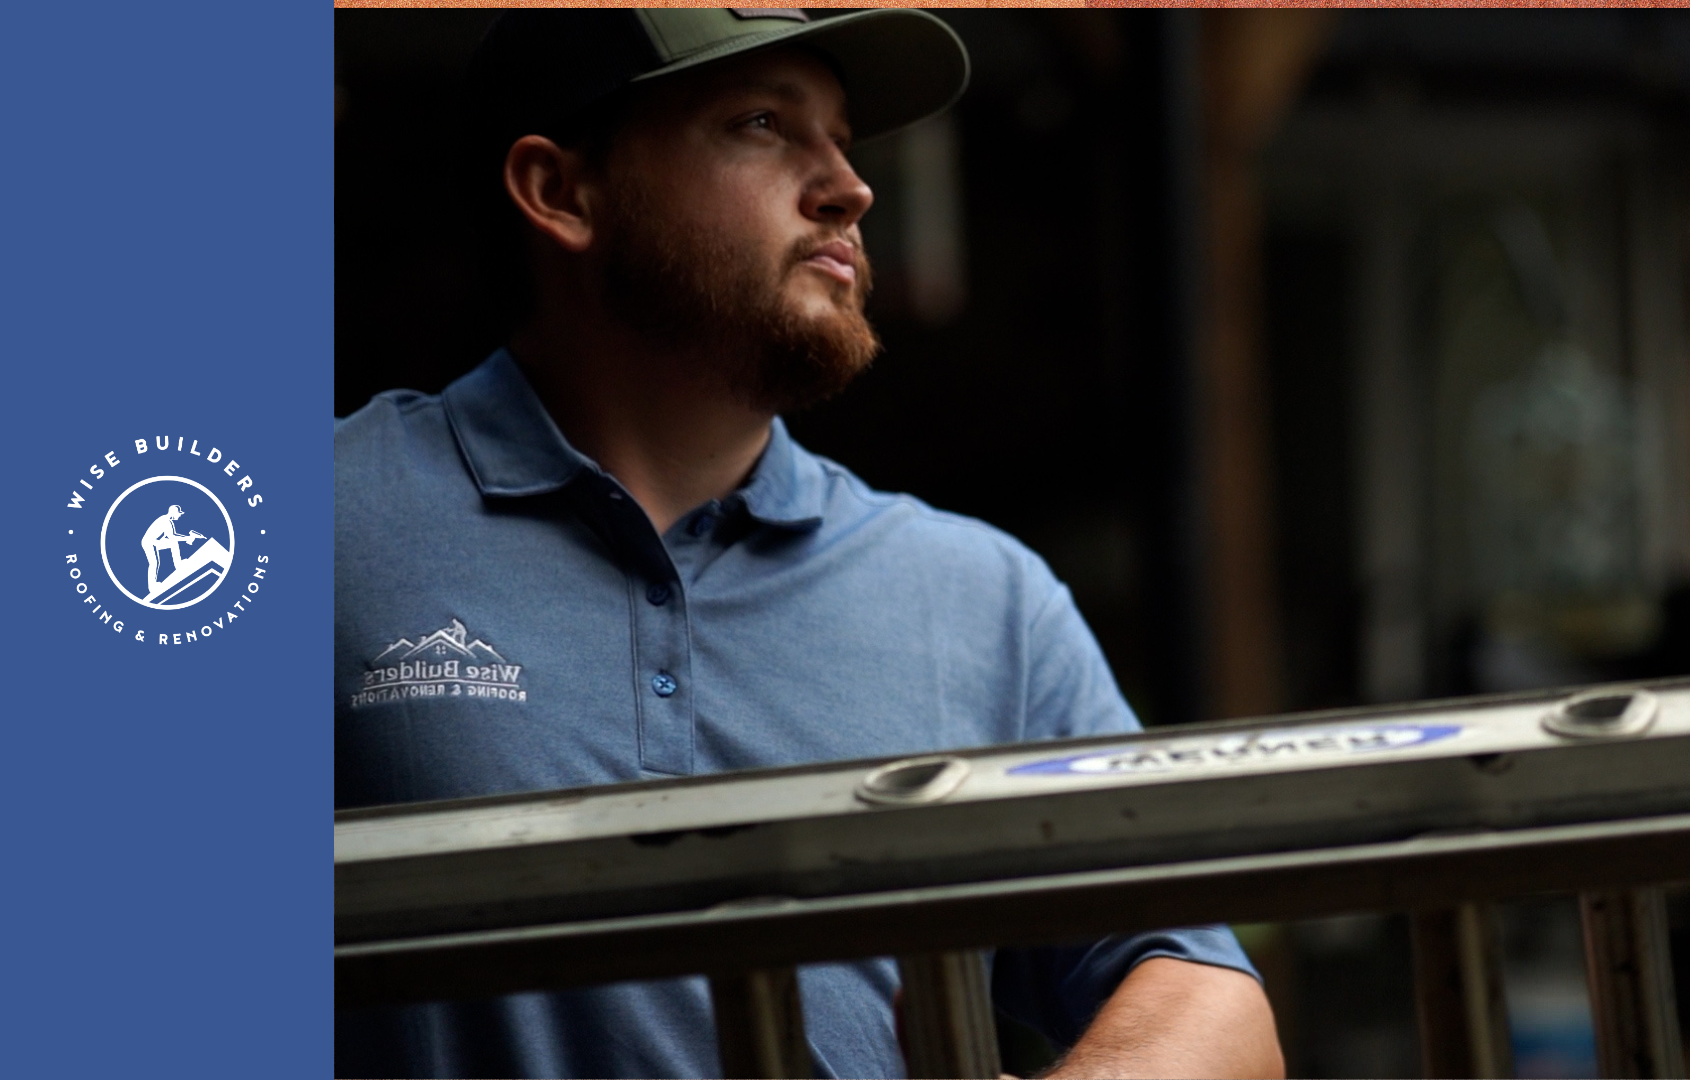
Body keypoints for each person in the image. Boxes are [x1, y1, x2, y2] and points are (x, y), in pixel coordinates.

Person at [335, 10, 1285, 1079]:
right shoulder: (311, 530)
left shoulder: (979, 599)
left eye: (841, 137)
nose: (849, 185)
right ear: (561, 192)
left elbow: (1206, 992)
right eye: (759, 124)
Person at [141, 504, 203, 593]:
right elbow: (172, 536)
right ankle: (152, 587)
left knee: (173, 543)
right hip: (149, 543)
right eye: (179, 513)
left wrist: (187, 538)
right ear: (174, 512)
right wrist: (188, 538)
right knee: (154, 563)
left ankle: (179, 565)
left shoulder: (166, 520)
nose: (180, 515)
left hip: (155, 542)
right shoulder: (165, 521)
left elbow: (172, 537)